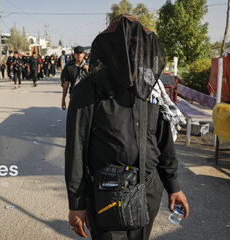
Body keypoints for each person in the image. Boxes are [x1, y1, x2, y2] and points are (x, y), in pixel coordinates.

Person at [65, 15, 189, 240]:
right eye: (126, 45)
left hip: (148, 192)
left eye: (136, 45)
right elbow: (76, 150)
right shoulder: (89, 90)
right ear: (111, 48)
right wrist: (76, 204)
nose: (133, 52)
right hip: (108, 194)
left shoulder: (152, 89)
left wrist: (174, 185)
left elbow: (163, 141)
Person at [61, 46, 89, 110]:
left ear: (84, 54)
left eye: (80, 53)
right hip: (74, 96)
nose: (79, 55)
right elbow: (66, 84)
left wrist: (88, 71)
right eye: (77, 53)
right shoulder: (69, 67)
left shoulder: (89, 65)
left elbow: (95, 81)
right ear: (74, 55)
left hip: (87, 97)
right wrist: (63, 100)